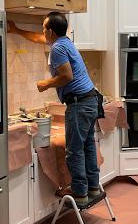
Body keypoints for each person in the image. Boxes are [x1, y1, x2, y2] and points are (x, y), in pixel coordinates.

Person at [7, 12, 100, 203]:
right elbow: (37, 38)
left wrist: (45, 84)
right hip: (90, 100)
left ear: (50, 31)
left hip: (79, 103)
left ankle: (79, 192)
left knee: (74, 149)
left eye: (43, 28)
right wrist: (16, 31)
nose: (42, 31)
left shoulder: (57, 48)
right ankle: (93, 187)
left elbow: (67, 76)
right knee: (88, 144)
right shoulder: (65, 41)